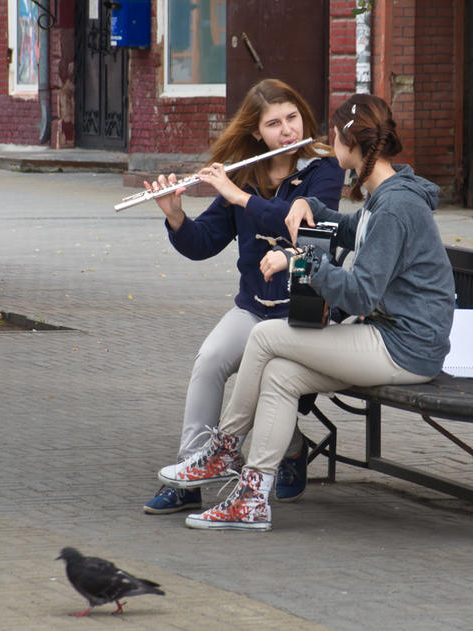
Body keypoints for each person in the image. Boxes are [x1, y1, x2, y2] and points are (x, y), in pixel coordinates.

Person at [155, 94, 456, 531]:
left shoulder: (396, 205)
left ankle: (223, 449)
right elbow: (353, 230)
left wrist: (301, 262)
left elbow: (361, 295)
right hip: (389, 337)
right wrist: (312, 208)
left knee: (265, 337)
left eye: (332, 136)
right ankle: (252, 498)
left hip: (404, 345)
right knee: (279, 375)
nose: (324, 142)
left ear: (347, 144)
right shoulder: (383, 196)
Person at [142, 79, 344, 514]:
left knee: (270, 378)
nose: (287, 130)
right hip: (254, 307)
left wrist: (236, 196)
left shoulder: (323, 169)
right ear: (256, 133)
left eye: (292, 118)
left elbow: (302, 226)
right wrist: (177, 218)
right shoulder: (245, 172)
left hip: (304, 310)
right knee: (210, 359)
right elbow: (203, 243)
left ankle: (290, 449)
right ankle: (190, 473)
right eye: (274, 123)